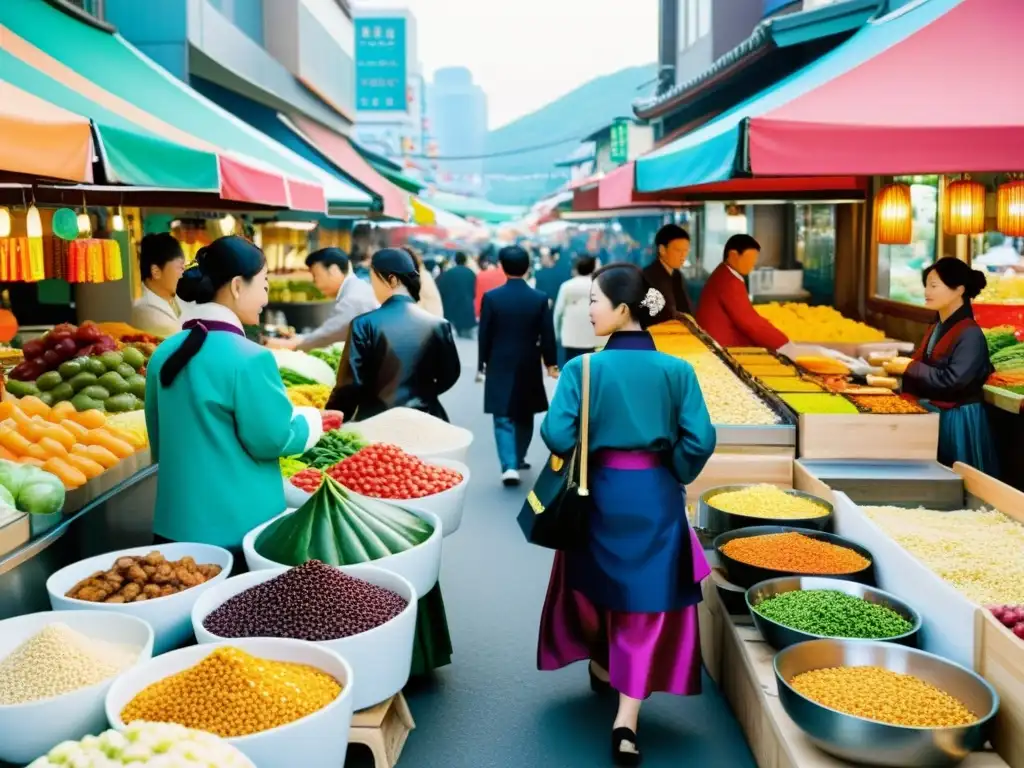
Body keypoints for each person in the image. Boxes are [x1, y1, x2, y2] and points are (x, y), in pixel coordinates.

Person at [537, 263, 716, 765]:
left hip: (598, 495)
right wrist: (671, 469)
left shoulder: (583, 370)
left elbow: (556, 436)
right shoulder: (678, 370)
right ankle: (627, 719)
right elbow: (701, 439)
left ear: (621, 309)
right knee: (646, 603)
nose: (588, 309)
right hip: (656, 496)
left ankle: (601, 665)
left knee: (596, 587)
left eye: (594, 300)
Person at [144, 236, 322, 563]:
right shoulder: (251, 359)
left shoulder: (163, 354)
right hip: (240, 533)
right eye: (265, 285)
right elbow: (272, 439)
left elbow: (159, 443)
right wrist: (310, 423)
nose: (266, 298)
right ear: (238, 286)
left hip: (173, 530)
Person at [883, 258, 999, 474]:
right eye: (926, 285)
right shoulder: (938, 325)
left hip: (959, 420)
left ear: (959, 290)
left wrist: (908, 367)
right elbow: (924, 363)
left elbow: (952, 380)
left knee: (960, 482)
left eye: (934, 286)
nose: (927, 291)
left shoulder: (970, 333)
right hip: (940, 413)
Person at [326, 248, 461, 422]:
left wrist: (333, 417)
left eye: (374, 281)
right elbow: (450, 375)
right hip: (427, 420)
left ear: (391, 280)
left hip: (377, 421)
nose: (373, 288)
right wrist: (424, 394)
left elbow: (351, 385)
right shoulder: (438, 325)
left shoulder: (364, 324)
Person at [478, 245, 558, 486]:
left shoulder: (492, 298)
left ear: (502, 267)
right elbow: (547, 334)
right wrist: (551, 363)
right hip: (528, 360)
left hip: (499, 361)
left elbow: (485, 334)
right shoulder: (539, 298)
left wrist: (482, 363)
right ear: (528, 267)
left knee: (502, 415)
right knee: (525, 413)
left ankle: (509, 465)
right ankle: (519, 456)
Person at [268, 247, 378, 352]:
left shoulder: (353, 299)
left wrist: (283, 344)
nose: (314, 283)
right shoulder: (357, 288)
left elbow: (325, 337)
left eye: (316, 276)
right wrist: (299, 338)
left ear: (333, 270)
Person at [695, 234, 789, 351]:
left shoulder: (725, 274)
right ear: (733, 255)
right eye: (749, 259)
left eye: (754, 259)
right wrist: (784, 345)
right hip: (722, 346)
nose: (752, 264)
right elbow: (749, 322)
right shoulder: (728, 281)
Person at [131, 233, 193, 337]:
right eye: (179, 267)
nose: (182, 275)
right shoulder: (145, 310)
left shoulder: (172, 298)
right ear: (156, 272)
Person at [642, 224, 693, 324]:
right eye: (678, 250)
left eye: (686, 251)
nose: (683, 256)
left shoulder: (677, 274)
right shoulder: (650, 277)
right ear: (662, 250)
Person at [553, 255, 601, 362]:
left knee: (572, 367)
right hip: (592, 335)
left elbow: (558, 312)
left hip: (571, 336)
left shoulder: (566, 286)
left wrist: (556, 334)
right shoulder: (598, 286)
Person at [436, 252, 477, 338]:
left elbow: (442, 289)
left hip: (452, 304)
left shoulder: (449, 273)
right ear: (465, 261)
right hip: (467, 303)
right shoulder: (471, 273)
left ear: (455, 260)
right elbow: (475, 289)